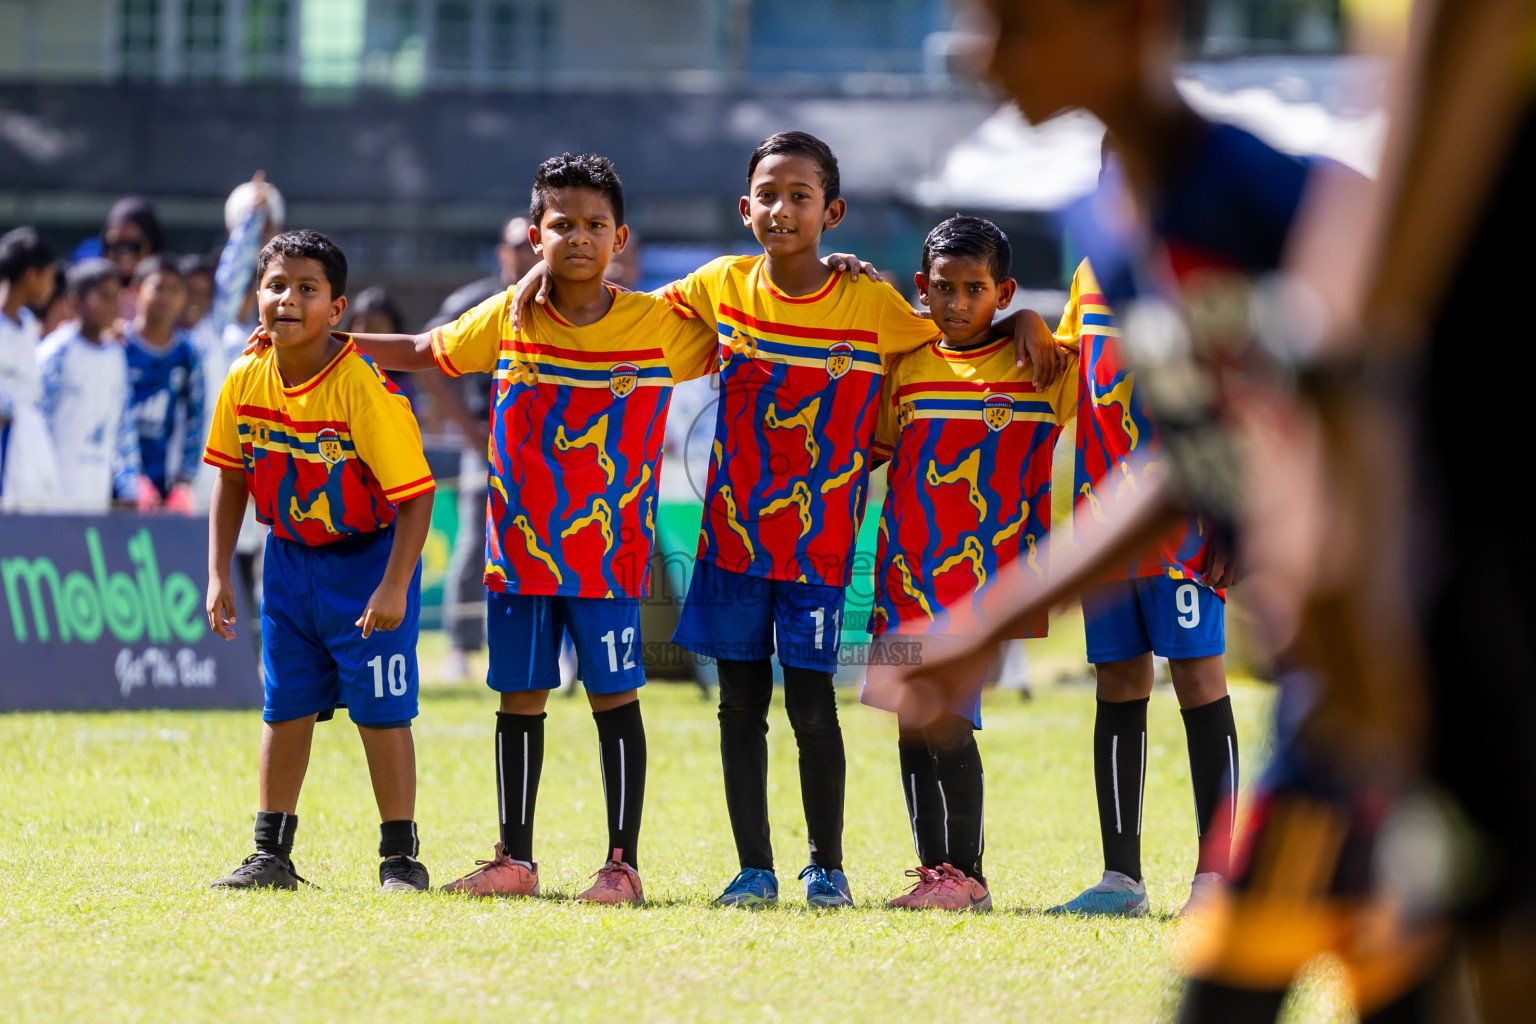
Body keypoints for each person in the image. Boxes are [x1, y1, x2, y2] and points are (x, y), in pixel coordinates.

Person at [285, 154, 717, 904]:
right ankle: (514, 858)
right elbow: (426, 353)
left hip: (610, 562)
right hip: (520, 557)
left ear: (620, 239)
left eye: (594, 226)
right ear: (534, 233)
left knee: (614, 701)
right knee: (520, 698)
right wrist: (323, 346)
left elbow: (752, 317)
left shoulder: (660, 324)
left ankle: (622, 865)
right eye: (562, 225)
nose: (578, 238)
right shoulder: (509, 317)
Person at [657, 132, 943, 910]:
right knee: (738, 705)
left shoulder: (871, 301)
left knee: (814, 707)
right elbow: (619, 321)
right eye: (769, 195)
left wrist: (1021, 329)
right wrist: (535, 285)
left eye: (802, 196)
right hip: (730, 547)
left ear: (833, 211)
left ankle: (828, 869)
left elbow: (949, 350)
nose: (783, 209)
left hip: (821, 553)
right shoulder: (720, 286)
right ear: (745, 207)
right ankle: (754, 870)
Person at [205, 229, 435, 892]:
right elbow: (230, 478)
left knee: (381, 709)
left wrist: (394, 586)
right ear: (258, 297)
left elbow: (416, 501)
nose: (288, 299)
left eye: (308, 289)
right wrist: (220, 570)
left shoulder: (362, 389)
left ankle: (400, 859)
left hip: (368, 565)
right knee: (285, 705)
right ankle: (270, 853)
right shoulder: (245, 378)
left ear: (336, 310)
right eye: (277, 285)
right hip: (287, 565)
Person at [865, 216, 1078, 912]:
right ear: (922, 289)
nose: (957, 304)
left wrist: (1033, 322)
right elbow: (877, 447)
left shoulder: (1040, 368)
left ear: (1003, 291)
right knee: (909, 722)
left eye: (976, 290)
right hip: (902, 585)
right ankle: (935, 873)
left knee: (949, 722)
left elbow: (1106, 356)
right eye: (944, 289)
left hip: (979, 593)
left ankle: (971, 876)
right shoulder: (908, 367)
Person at [422, 216, 538, 683]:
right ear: (502, 252)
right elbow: (427, 358)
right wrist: (470, 432)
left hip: (548, 443)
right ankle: (460, 646)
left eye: (532, 243)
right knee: (476, 540)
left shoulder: (563, 299)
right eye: (517, 244)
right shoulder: (478, 301)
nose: (527, 253)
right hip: (488, 437)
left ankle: (552, 647)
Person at [37, 258, 134, 513]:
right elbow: (38, 424)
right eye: (103, 296)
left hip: (96, 494)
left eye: (116, 297)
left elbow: (122, 426)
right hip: (51, 496)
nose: (113, 305)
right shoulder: (56, 352)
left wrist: (128, 483)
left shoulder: (116, 356)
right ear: (75, 301)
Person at [115, 254, 204, 514]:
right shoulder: (118, 346)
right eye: (158, 288)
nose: (166, 297)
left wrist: (184, 482)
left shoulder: (186, 354)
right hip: (112, 487)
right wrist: (127, 478)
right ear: (135, 291)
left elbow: (196, 420)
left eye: (175, 290)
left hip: (162, 491)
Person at [0, 226, 61, 510]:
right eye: (48, 277)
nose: (51, 287)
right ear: (30, 276)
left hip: (24, 445)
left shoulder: (27, 326)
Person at [102, 197, 165, 318]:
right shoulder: (93, 295)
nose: (122, 254)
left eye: (132, 246)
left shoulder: (169, 294)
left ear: (150, 245)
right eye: (114, 246)